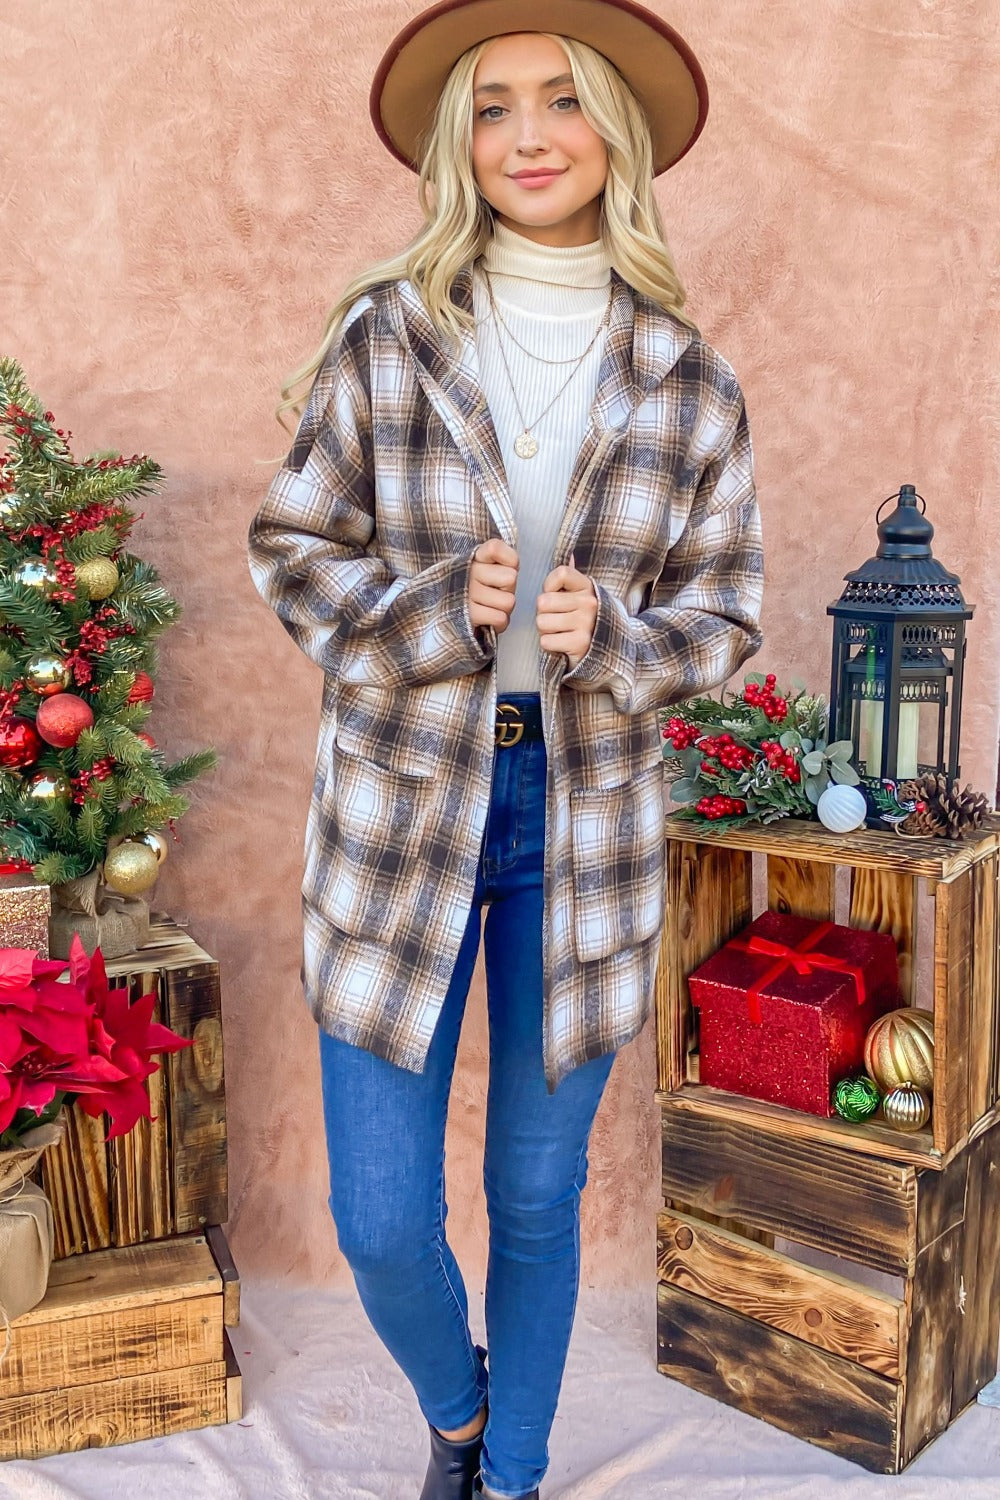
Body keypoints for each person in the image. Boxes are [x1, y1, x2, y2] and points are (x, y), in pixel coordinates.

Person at [248, 1, 764, 1494]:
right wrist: (433, 611)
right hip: (400, 811)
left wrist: (621, 636)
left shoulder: (688, 377)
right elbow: (293, 550)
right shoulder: (391, 336)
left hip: (584, 820)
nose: (527, 136)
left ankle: (514, 1476)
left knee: (537, 1199)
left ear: (618, 129)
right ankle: (461, 1418)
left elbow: (725, 614)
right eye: (492, 107)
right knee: (380, 1219)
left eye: (560, 99)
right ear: (456, 145)